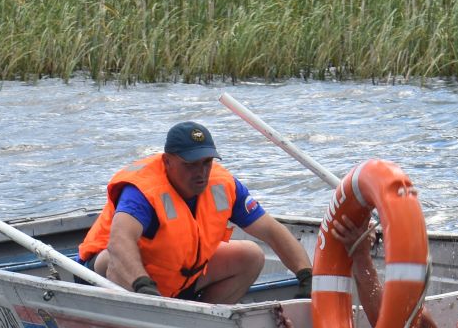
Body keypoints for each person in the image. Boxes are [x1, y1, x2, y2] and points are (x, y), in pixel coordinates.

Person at [77, 121, 313, 304]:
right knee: (111, 258)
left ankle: (205, 325)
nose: (200, 172)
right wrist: (142, 285)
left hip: (178, 276)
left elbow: (272, 231)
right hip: (108, 278)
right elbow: (120, 240)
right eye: (190, 165)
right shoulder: (143, 190)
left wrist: (306, 275)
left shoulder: (223, 184)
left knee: (251, 255)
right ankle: (140, 324)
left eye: (206, 162)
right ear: (168, 162)